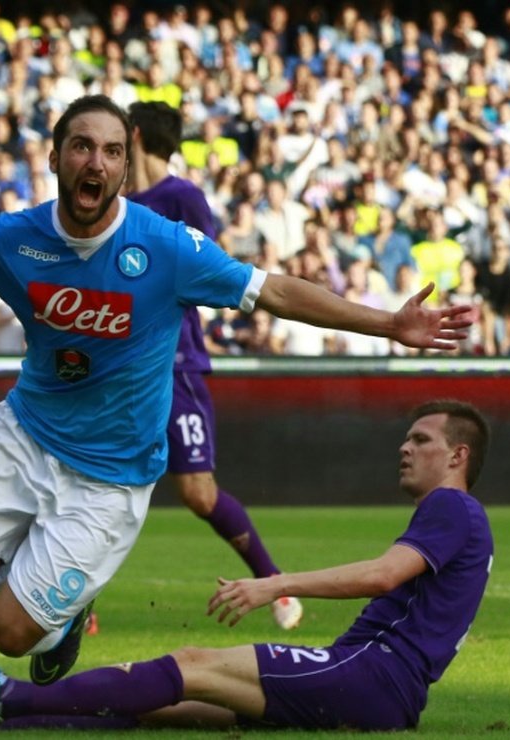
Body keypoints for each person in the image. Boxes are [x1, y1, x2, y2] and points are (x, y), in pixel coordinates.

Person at [0, 95, 469, 740]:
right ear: (57, 158)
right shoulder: (13, 238)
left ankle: (62, 623)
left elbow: (275, 290)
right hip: (25, 435)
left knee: (8, 633)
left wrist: (386, 325)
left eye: (109, 151)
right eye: (79, 147)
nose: (94, 162)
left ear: (125, 164)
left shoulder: (166, 247)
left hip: (111, 478)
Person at [0, 399, 494, 733]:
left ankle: (7, 694)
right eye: (406, 437)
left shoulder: (452, 506)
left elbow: (382, 575)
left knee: (191, 662)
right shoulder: (461, 517)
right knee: (178, 703)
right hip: (377, 686)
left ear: (457, 456)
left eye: (421, 440)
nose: (404, 448)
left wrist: (273, 585)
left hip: (371, 675)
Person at [126, 100, 303, 629]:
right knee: (96, 478)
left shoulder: (180, 197)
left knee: (198, 493)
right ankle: (68, 606)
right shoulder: (113, 201)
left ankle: (274, 584)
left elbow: (213, 270)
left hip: (175, 362)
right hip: (121, 365)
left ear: (132, 135)